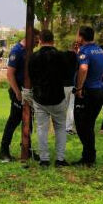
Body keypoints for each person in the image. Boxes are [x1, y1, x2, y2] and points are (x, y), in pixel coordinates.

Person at [28, 30, 70, 167]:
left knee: (41, 128)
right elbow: (66, 76)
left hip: (40, 98)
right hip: (58, 97)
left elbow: (31, 77)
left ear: (40, 40)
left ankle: (44, 159)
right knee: (60, 128)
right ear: (53, 40)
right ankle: (60, 159)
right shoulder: (61, 56)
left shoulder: (33, 57)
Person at [0, 29, 40, 162]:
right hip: (18, 92)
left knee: (29, 122)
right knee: (14, 121)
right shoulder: (17, 51)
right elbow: (10, 74)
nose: (37, 44)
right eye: (36, 41)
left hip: (28, 92)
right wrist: (17, 93)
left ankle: (27, 149)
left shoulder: (29, 51)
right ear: (29, 38)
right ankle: (3, 151)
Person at [72, 26, 103, 166]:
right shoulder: (99, 50)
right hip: (99, 91)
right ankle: (88, 156)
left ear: (81, 37)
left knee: (81, 126)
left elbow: (84, 68)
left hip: (87, 93)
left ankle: (89, 156)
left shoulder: (85, 52)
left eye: (77, 34)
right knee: (89, 125)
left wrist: (79, 87)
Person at [63, 44, 79, 135]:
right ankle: (69, 128)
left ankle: (61, 127)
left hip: (62, 86)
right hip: (72, 86)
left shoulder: (63, 56)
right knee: (71, 107)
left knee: (63, 107)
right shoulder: (76, 58)